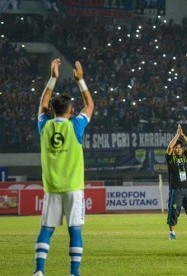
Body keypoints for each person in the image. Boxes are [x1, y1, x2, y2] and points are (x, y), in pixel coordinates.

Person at [33, 59, 94, 276]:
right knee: (75, 230)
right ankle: (74, 273)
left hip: (52, 188)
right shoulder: (75, 126)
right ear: (71, 110)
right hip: (73, 188)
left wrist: (53, 77)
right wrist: (81, 80)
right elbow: (91, 105)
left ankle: (39, 271)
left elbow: (42, 104)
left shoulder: (45, 126)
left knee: (46, 230)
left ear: (52, 109)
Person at [166, 124, 187, 240]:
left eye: (179, 147)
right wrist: (176, 135)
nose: (178, 148)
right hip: (176, 189)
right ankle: (172, 233)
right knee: (173, 211)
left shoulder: (185, 156)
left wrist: (183, 135)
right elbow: (169, 148)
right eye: (176, 147)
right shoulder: (171, 159)